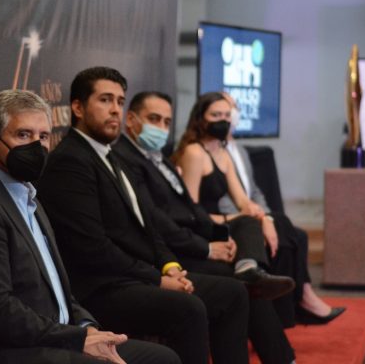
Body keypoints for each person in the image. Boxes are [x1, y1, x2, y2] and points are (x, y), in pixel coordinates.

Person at [0, 89, 181, 364]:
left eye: (43, 137)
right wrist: (77, 338)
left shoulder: (27, 194)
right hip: (7, 351)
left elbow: (59, 290)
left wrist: (88, 328)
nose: (36, 146)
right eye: (23, 135)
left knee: (162, 359)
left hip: (55, 338)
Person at [37, 67, 250, 364]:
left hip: (135, 274)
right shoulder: (70, 161)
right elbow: (92, 248)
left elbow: (148, 223)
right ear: (78, 108)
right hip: (100, 287)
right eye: (105, 100)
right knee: (189, 308)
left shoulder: (110, 154)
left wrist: (170, 266)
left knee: (233, 291)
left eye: (120, 101)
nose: (115, 109)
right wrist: (157, 279)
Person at [114, 90, 296, 364]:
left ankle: (250, 270)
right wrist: (208, 248)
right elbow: (156, 220)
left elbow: (191, 207)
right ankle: (281, 356)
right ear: (131, 119)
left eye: (166, 122)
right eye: (154, 119)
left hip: (191, 236)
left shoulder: (156, 155)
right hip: (170, 252)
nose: (161, 128)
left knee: (253, 243)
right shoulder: (127, 158)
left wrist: (220, 236)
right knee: (240, 286)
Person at [218, 91, 346, 326]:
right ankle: (301, 302)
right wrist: (261, 218)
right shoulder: (211, 152)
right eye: (224, 111)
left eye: (233, 110)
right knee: (286, 230)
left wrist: (266, 215)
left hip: (254, 213)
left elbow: (254, 191)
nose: (231, 115)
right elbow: (221, 198)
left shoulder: (240, 149)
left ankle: (296, 304)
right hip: (237, 219)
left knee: (296, 235)